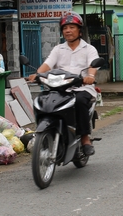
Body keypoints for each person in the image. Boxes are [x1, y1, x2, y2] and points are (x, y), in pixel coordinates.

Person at [31, 11, 99, 156]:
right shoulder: (58, 49)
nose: (68, 31)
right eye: (65, 28)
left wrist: (90, 76)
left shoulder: (89, 49)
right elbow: (46, 65)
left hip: (82, 88)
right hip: (59, 88)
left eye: (71, 27)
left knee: (80, 101)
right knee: (42, 100)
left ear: (79, 30)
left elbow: (93, 66)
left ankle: (85, 139)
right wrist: (37, 75)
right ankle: (44, 131)